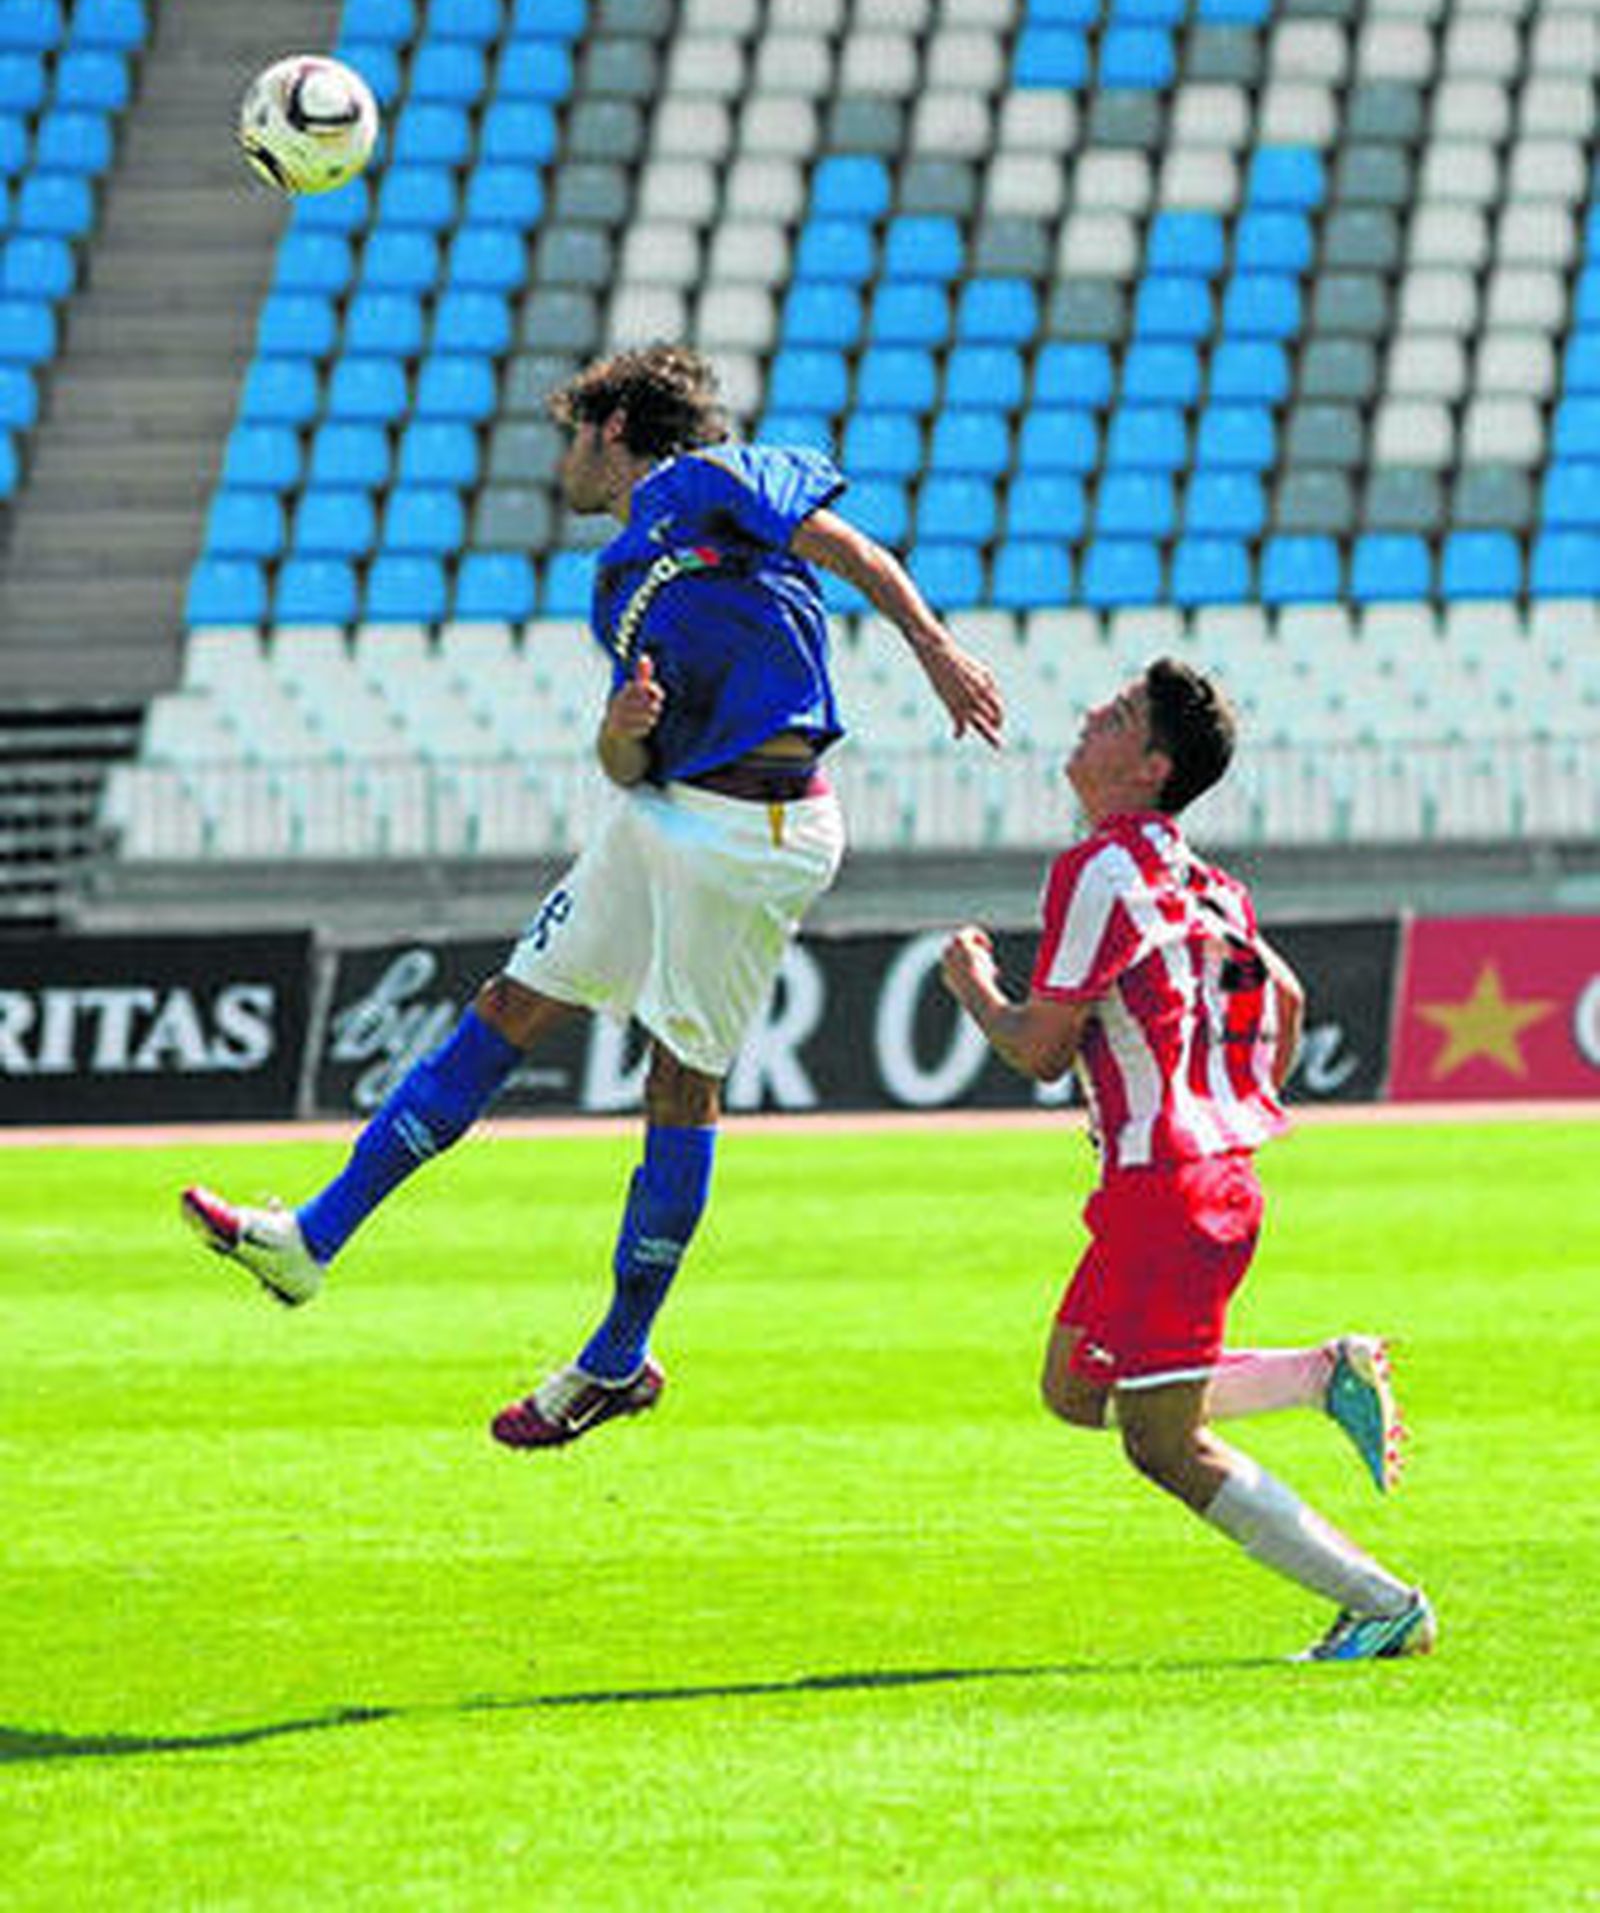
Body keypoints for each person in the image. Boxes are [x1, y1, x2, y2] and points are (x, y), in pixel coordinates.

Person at [183, 344, 1004, 1449]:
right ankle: (311, 1241)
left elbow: (842, 544)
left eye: (574, 433)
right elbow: (632, 763)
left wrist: (933, 645)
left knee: (679, 1083)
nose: (564, 459)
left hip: (757, 829)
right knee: (509, 1008)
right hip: (664, 812)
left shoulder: (706, 481)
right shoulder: (613, 582)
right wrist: (619, 735)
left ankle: (617, 1356)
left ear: (616, 428)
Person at [939, 658, 1434, 1663]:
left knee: (1161, 1443)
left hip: (1167, 1188)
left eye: (1116, 714)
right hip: (1202, 1179)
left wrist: (972, 985)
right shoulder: (1211, 883)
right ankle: (1315, 1374)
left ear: (1151, 767)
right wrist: (1231, 1108)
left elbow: (1039, 1048)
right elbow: (1284, 1001)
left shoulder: (1096, 870)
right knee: (1074, 1386)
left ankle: (1383, 1603)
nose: (1088, 715)